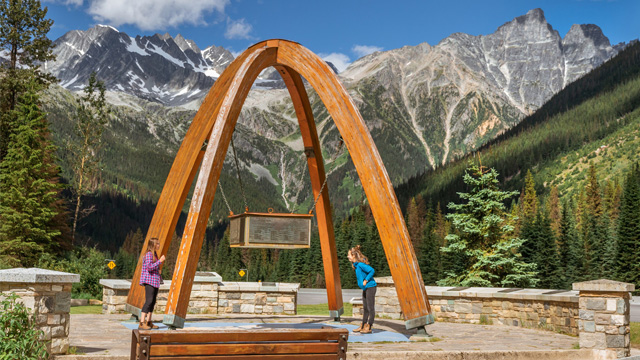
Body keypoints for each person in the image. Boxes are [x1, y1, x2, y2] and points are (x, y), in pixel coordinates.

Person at [348, 245, 377, 334]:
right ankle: (363, 325)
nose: (347, 256)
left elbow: (372, 270)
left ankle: (369, 326)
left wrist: (366, 280)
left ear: (354, 256)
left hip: (371, 287)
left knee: (370, 307)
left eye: (349, 255)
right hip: (366, 288)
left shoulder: (360, 264)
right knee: (365, 308)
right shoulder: (356, 266)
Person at [139, 237, 165, 330]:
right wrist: (160, 262)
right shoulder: (149, 254)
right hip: (149, 281)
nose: (158, 245)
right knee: (149, 301)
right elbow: (149, 267)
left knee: (153, 302)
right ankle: (142, 323)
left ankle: (149, 322)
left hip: (155, 281)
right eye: (157, 244)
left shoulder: (154, 254)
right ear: (153, 245)